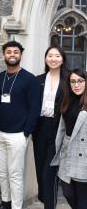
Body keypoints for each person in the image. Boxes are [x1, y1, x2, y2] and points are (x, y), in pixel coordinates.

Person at [0, 41, 40, 209]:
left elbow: (35, 108)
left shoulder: (30, 79)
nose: (12, 54)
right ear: (3, 55)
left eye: (15, 52)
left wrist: (26, 133)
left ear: (21, 55)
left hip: (18, 135)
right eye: (8, 52)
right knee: (1, 172)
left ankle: (16, 206)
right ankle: (6, 202)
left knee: (15, 174)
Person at [32, 46, 68, 209]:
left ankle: (49, 205)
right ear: (46, 58)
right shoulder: (38, 79)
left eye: (57, 56)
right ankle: (45, 199)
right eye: (50, 56)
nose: (53, 59)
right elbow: (32, 105)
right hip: (40, 129)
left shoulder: (68, 80)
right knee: (40, 170)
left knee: (50, 172)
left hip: (59, 128)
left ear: (62, 59)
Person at [51, 69, 87, 209]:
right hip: (68, 154)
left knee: (82, 199)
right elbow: (62, 128)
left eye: (80, 81)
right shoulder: (67, 101)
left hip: (83, 154)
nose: (76, 85)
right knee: (68, 193)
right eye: (73, 81)